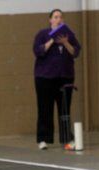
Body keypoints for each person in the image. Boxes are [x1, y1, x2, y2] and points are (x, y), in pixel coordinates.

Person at [33, 8, 81, 149]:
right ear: (50, 20)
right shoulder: (42, 34)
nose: (58, 19)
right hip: (45, 78)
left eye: (60, 17)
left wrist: (66, 42)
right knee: (45, 109)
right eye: (55, 17)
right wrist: (52, 41)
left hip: (64, 77)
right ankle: (43, 139)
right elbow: (38, 51)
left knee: (64, 110)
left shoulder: (69, 36)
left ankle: (66, 139)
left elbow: (75, 52)